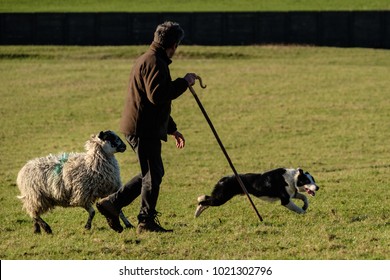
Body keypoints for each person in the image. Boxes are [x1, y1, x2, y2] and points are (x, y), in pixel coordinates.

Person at [97, 21, 197, 234]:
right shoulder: (154, 62)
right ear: (173, 44)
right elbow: (158, 96)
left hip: (142, 124)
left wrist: (172, 129)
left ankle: (113, 204)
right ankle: (145, 221)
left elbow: (153, 103)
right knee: (153, 174)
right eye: (177, 44)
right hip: (142, 128)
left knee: (151, 173)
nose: (176, 49)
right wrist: (184, 82)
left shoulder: (151, 59)